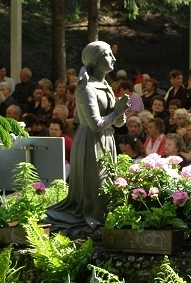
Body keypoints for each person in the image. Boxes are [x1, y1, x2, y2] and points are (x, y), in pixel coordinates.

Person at [46, 41, 129, 236]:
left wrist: (120, 113)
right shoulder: (86, 88)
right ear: (96, 61)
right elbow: (95, 124)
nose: (113, 58)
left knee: (106, 182)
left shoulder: (105, 85)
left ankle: (104, 218)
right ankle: (93, 220)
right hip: (90, 142)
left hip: (106, 139)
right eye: (108, 55)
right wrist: (116, 113)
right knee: (95, 184)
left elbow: (116, 123)